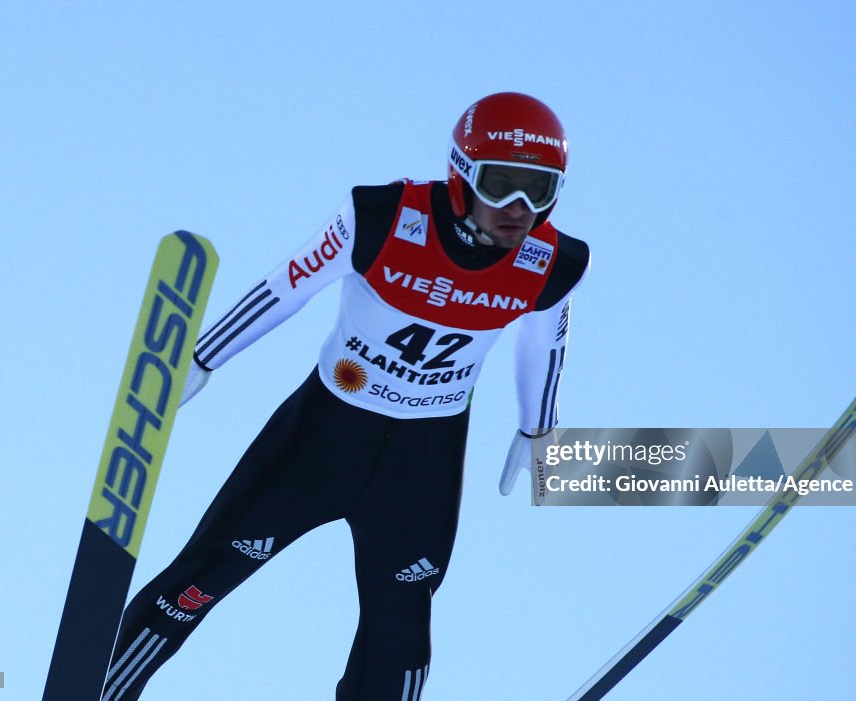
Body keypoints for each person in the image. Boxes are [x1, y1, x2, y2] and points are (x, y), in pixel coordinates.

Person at [102, 91, 590, 701]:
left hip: (423, 463)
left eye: (539, 190)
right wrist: (204, 355)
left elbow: (545, 344)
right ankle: (103, 687)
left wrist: (537, 428)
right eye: (502, 185)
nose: (519, 208)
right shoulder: (382, 215)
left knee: (401, 623)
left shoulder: (554, 262)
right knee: (206, 572)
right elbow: (289, 285)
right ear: (462, 174)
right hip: (322, 437)